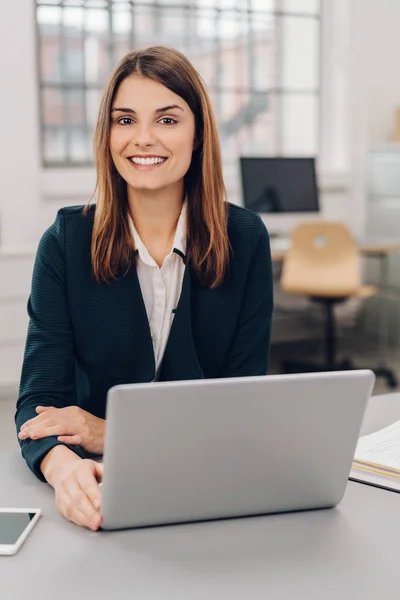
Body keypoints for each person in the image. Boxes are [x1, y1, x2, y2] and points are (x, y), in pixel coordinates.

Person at [15, 46, 273, 532]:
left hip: (206, 491)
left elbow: (241, 412)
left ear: (198, 135)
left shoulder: (245, 240)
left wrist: (107, 433)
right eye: (125, 119)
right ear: (107, 134)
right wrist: (63, 467)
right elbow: (39, 402)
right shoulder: (66, 243)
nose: (144, 139)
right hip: (99, 492)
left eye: (168, 120)